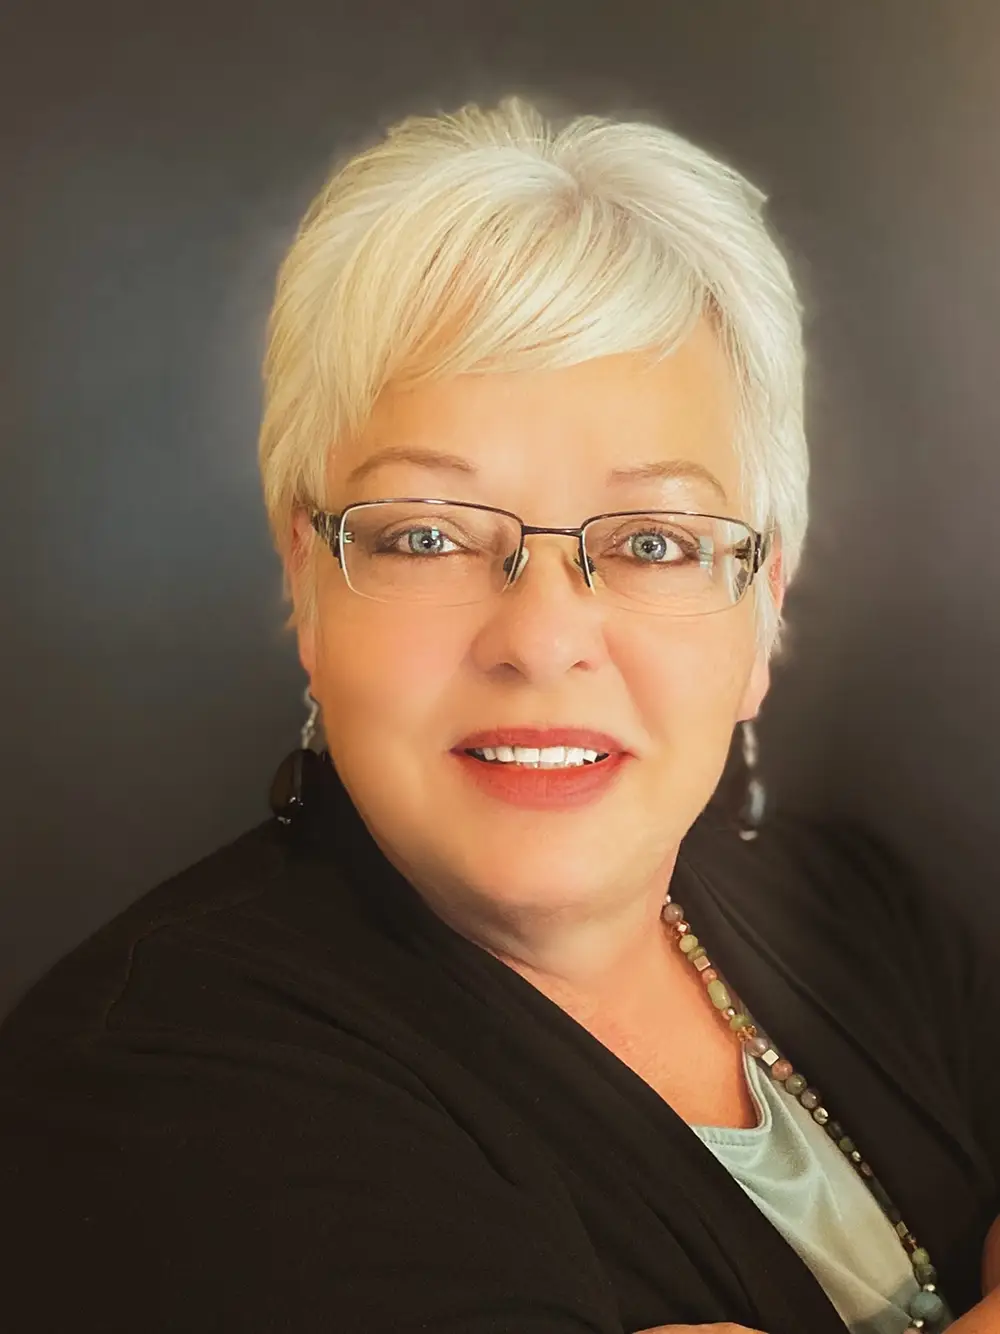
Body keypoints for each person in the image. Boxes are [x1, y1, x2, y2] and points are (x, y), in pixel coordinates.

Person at [0, 96, 997, 1334]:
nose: (539, 637)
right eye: (426, 534)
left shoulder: (863, 912)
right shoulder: (150, 1083)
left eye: (650, 540)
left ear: (762, 606)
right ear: (306, 581)